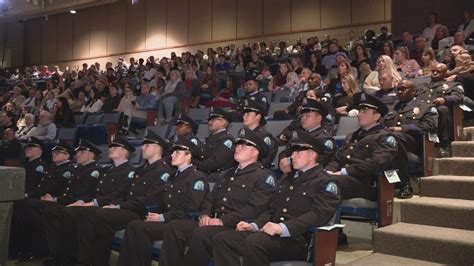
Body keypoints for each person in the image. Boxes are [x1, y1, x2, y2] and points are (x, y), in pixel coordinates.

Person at [212, 130, 341, 266]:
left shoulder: (325, 182)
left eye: (298, 152)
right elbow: (272, 209)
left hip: (297, 239)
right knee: (223, 239)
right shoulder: (288, 178)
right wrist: (254, 225)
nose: (292, 156)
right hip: (272, 234)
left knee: (254, 242)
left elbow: (319, 215)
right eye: (292, 152)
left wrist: (283, 227)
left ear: (313, 155)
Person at [158, 128, 277, 266]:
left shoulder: (263, 176)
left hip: (237, 226)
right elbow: (210, 199)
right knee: (175, 227)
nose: (238, 148)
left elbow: (255, 209)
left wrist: (222, 221)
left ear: (255, 152)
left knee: (202, 234)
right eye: (238, 145)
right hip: (215, 222)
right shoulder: (226, 174)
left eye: (244, 145)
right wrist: (205, 215)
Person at [76, 132, 174, 266]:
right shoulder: (141, 169)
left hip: (141, 212)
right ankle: (93, 260)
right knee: (94, 214)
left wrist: (119, 207)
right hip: (129, 209)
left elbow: (148, 199)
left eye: (147, 145)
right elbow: (126, 193)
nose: (142, 148)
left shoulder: (163, 171)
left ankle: (96, 261)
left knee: (99, 215)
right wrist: (115, 204)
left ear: (157, 148)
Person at [42, 137, 136, 266]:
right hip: (98, 204)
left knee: (79, 214)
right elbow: (96, 191)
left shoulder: (130, 171)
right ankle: (67, 256)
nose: (110, 149)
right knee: (67, 212)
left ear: (124, 151)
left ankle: (82, 259)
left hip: (109, 206)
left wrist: (93, 202)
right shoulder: (108, 169)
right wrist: (85, 202)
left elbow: (118, 194)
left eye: (115, 147)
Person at [117, 134, 208, 266]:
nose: (172, 155)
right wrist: (155, 215)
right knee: (135, 225)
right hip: (169, 219)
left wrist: (162, 217)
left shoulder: (197, 178)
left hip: (182, 222)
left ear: (188, 156)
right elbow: (164, 202)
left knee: (144, 228)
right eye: (173, 152)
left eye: (177, 152)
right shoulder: (173, 176)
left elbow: (190, 209)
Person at [9, 143, 76, 260]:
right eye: (54, 152)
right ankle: (19, 247)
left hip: (55, 203)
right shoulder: (52, 168)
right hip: (42, 200)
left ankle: (36, 248)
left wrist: (55, 199)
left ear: (67, 156)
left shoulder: (68, 170)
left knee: (26, 208)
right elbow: (40, 189)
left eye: (58, 152)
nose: (54, 154)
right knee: (19, 205)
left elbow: (66, 191)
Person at [325, 93, 398, 201]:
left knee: (328, 183)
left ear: (376, 116)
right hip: (344, 179)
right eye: (359, 111)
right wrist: (328, 171)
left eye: (364, 111)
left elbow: (376, 163)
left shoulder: (385, 137)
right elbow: (337, 157)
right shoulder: (352, 135)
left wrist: (344, 172)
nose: (359, 114)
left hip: (365, 183)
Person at [384, 80, 438, 198]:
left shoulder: (425, 107)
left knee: (395, 137)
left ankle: (405, 184)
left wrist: (403, 128)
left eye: (403, 89)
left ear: (414, 91)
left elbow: (431, 126)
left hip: (415, 143)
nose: (399, 92)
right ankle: (380, 183)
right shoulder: (391, 108)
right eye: (398, 89)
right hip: (390, 142)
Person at [417, 63, 465, 156]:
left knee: (443, 109)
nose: (434, 73)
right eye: (433, 71)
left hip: (440, 113)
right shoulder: (421, 86)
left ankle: (445, 145)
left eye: (438, 71)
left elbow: (459, 96)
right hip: (422, 112)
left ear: (446, 73)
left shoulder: (452, 85)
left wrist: (444, 99)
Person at [197, 107, 236, 179]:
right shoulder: (212, 137)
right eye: (209, 120)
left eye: (213, 120)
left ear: (223, 122)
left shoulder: (227, 139)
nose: (209, 122)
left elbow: (217, 161)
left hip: (216, 176)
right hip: (206, 172)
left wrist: (196, 165)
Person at [242, 100, 278, 169]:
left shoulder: (264, 136)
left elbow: (267, 159)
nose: (244, 117)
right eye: (244, 114)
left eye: (248, 114)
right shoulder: (244, 134)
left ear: (258, 117)